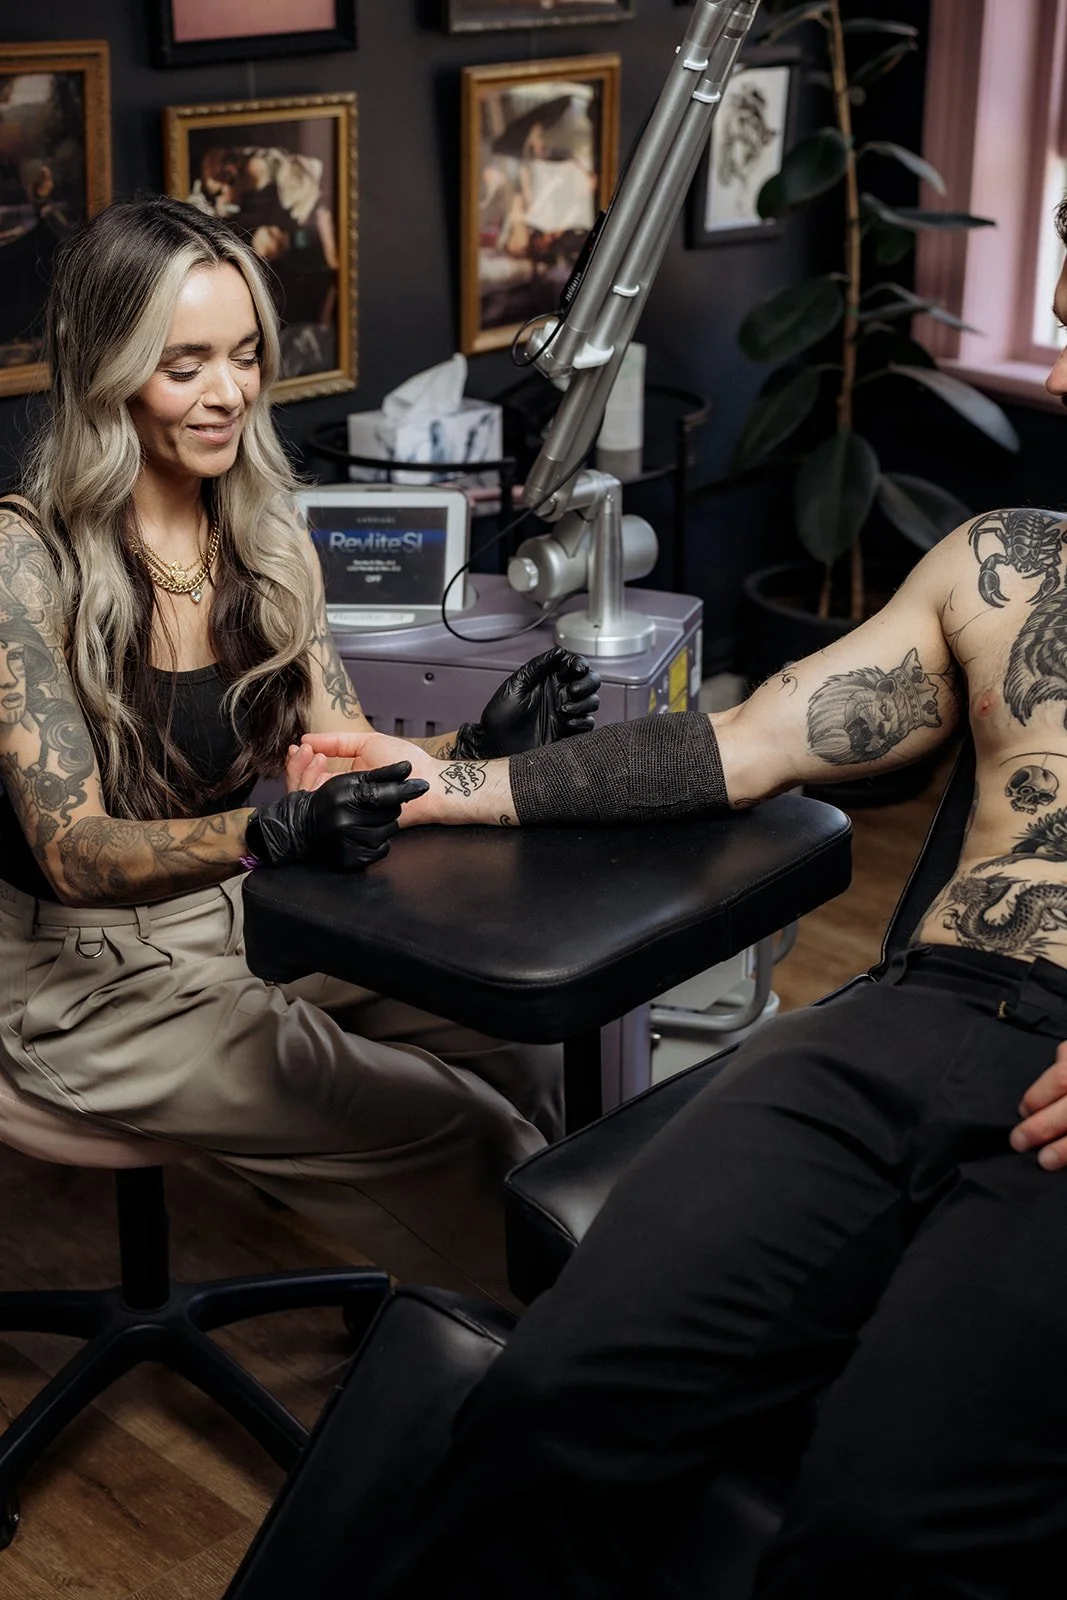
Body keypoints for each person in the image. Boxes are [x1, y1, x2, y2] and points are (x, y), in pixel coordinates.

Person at [287, 205, 1067, 1599]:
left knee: (885, 1525)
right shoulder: (1009, 567)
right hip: (915, 1019)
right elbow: (744, 741)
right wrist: (449, 782)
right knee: (553, 1398)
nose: (1057, 365)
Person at [0, 194, 602, 1309]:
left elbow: (331, 755)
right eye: (183, 366)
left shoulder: (265, 534)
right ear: (108, 371)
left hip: (249, 913)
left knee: (519, 1039)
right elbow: (75, 852)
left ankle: (484, 1322)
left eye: (242, 357)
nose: (227, 392)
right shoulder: (23, 560)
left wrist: (473, 743)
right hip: (82, 982)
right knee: (463, 1131)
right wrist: (267, 830)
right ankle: (562, 1371)